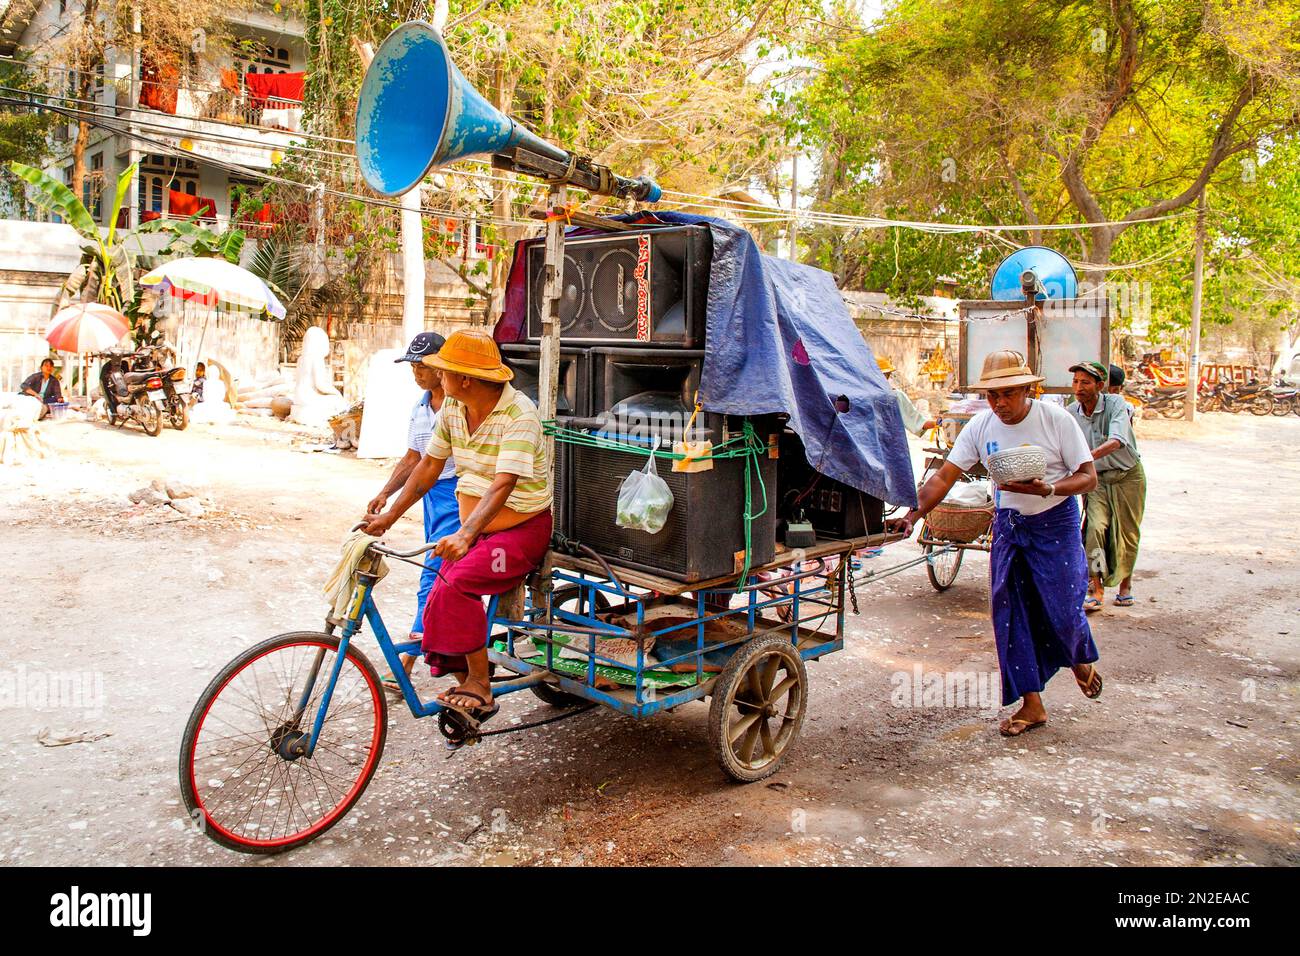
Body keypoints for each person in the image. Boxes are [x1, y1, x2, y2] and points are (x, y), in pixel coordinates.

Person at [891, 350, 1103, 737]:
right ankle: (1032, 704)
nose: (1000, 403)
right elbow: (944, 477)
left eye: (1008, 394)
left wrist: (1050, 488)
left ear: (1028, 390)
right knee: (1011, 614)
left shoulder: (1056, 420)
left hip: (1055, 520)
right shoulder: (981, 426)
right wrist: (912, 514)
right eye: (993, 396)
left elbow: (1087, 477)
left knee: (1064, 607)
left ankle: (1078, 658)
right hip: (1009, 523)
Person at [361, 330, 552, 717]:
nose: (436, 375)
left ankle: (481, 685)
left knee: (457, 582)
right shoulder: (453, 408)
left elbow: (504, 483)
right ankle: (463, 670)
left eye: (443, 370)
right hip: (477, 526)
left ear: (464, 378)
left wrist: (465, 534)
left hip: (520, 532)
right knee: (436, 589)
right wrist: (389, 517)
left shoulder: (519, 413)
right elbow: (429, 465)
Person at [365, 332, 461, 693]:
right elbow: (412, 458)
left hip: (456, 492)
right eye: (413, 366)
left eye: (423, 365)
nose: (417, 373)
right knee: (434, 570)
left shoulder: (459, 406)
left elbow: (433, 464)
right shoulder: (420, 408)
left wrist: (391, 512)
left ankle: (408, 658)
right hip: (431, 496)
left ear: (441, 367)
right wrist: (385, 494)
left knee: (433, 571)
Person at [1069, 360, 1145, 611]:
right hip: (1097, 480)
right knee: (1094, 530)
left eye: (1085, 382)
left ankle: (1125, 585)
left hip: (1128, 476)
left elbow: (1117, 441)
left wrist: (1085, 457)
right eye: (1076, 381)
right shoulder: (1071, 413)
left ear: (1100, 386)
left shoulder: (1116, 404)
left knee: (1126, 533)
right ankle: (1097, 586)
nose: (1079, 387)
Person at [878, 357, 936, 436]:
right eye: (887, 375)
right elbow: (917, 424)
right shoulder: (895, 396)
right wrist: (938, 423)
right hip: (890, 444)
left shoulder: (859, 397)